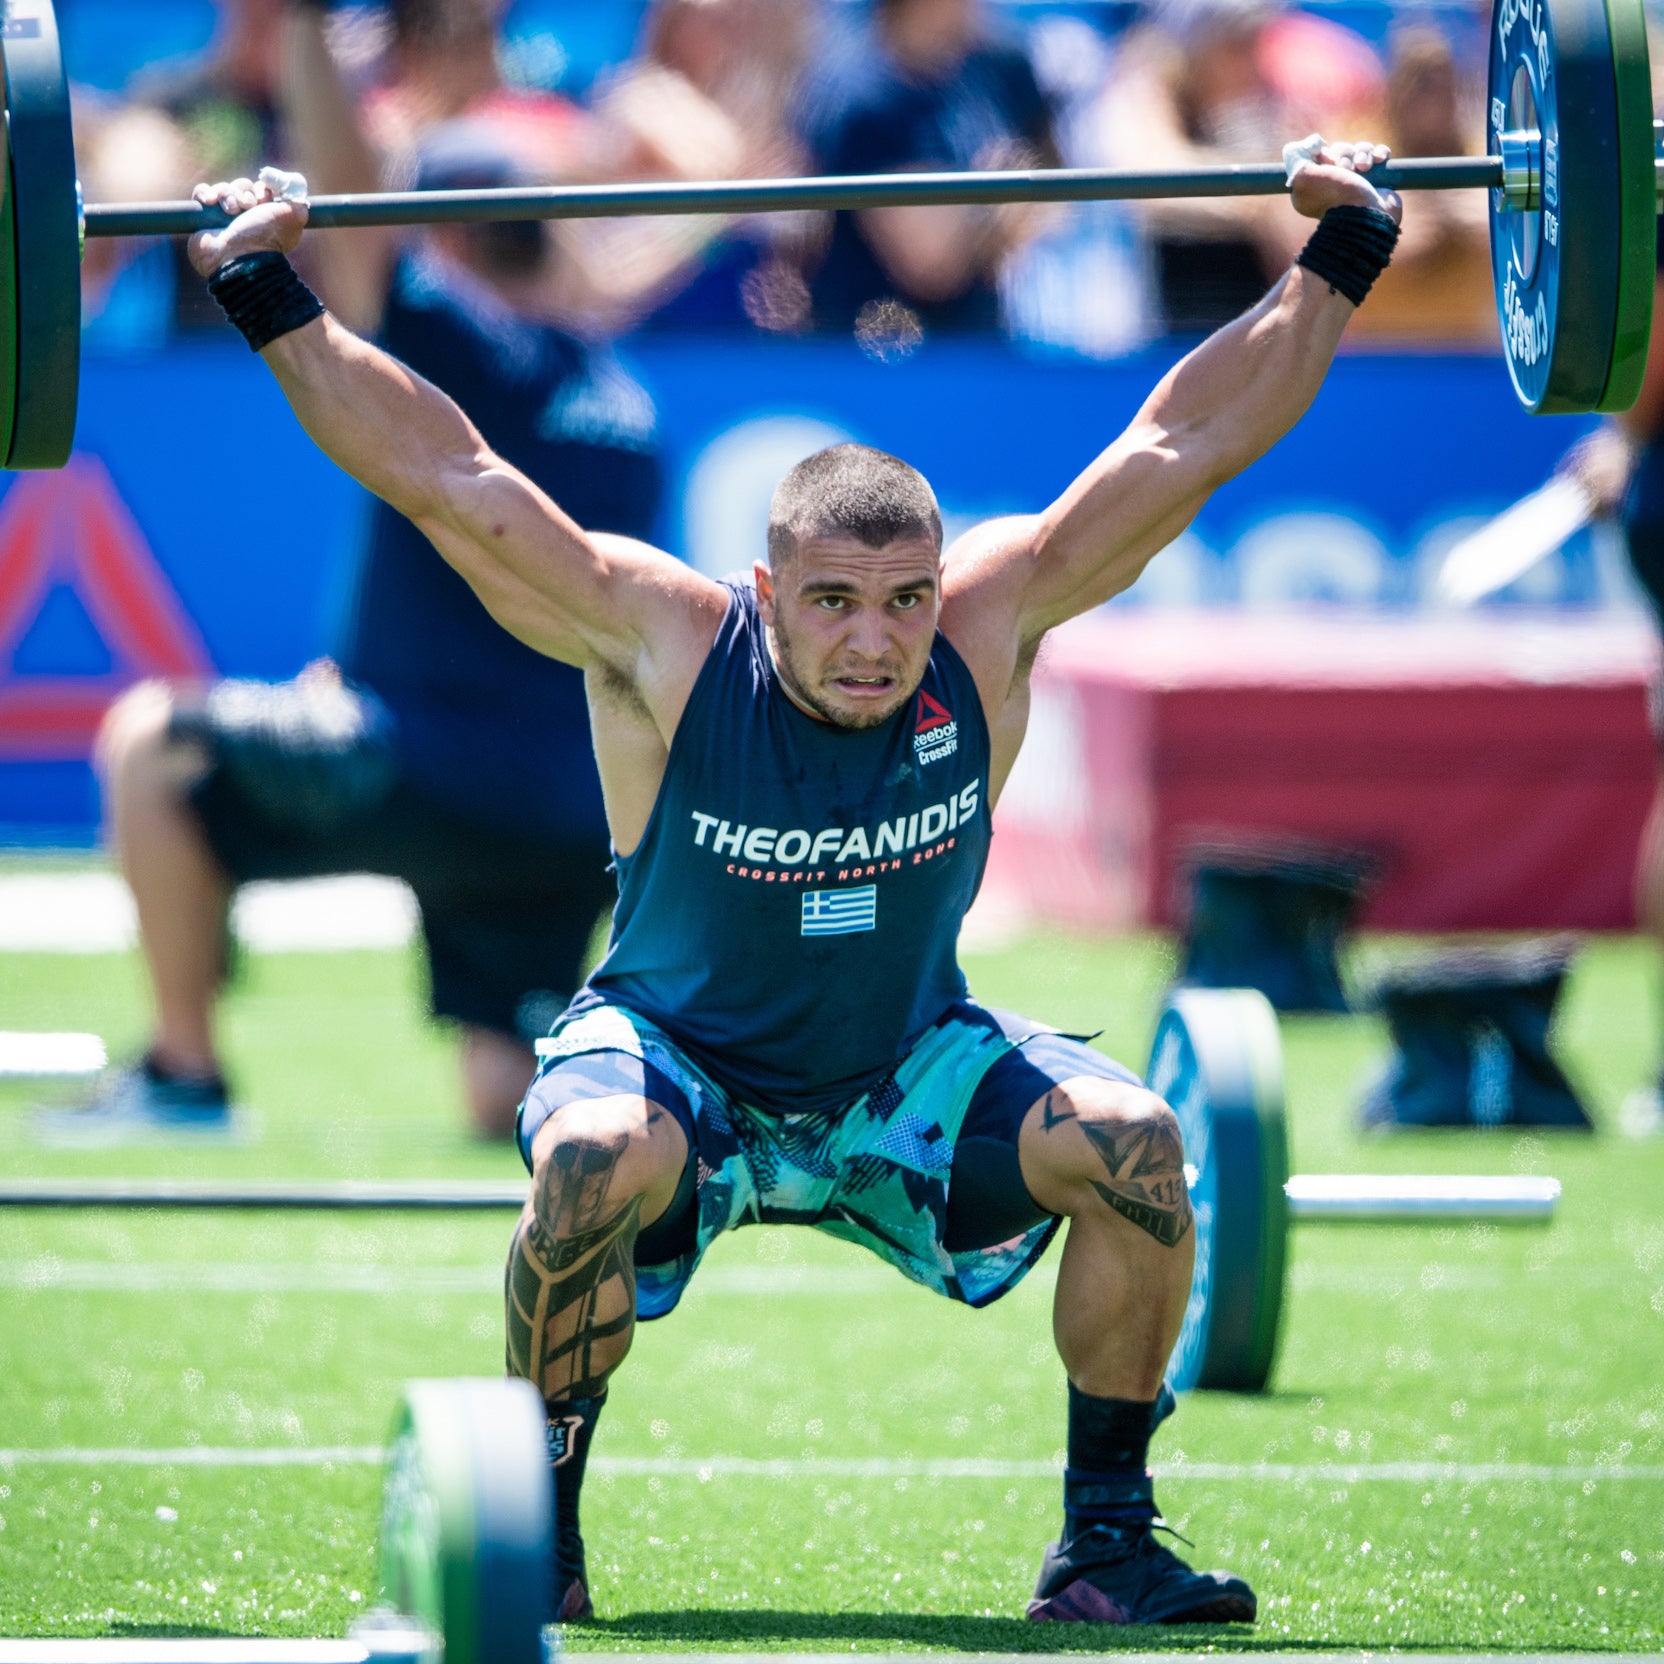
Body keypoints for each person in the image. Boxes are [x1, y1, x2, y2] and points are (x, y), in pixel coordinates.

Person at [179, 134, 1404, 1623]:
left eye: (901, 603)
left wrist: (1340, 261)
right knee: (583, 1165)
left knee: (1140, 1145)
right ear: (769, 593)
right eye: (832, 605)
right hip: (677, 1066)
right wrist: (261, 289)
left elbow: (1182, 444)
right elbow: (447, 474)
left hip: (899, 1075)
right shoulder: (665, 644)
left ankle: (1103, 1545)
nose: (875, 643)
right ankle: (540, 1532)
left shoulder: (988, 630)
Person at [76, 11, 662, 1143]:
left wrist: (300, 27)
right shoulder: (627, 404)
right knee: (507, 1101)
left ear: (442, 237)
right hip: (569, 810)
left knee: (153, 741)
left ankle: (184, 1073)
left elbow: (345, 209)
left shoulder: (451, 343)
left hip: (422, 761)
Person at [794, 0, 1061, 337]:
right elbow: (931, 265)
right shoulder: (863, 96)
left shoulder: (992, 73)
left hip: (982, 345)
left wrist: (994, 209)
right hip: (885, 353)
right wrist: (1001, 202)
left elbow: (1051, 204)